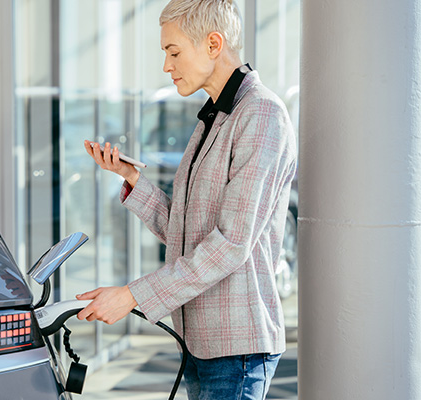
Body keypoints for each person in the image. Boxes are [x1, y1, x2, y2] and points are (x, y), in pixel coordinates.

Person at [76, 0, 298, 398]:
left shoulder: (261, 115)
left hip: (237, 349)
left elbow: (230, 244)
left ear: (214, 44)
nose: (166, 65)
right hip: (202, 343)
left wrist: (132, 296)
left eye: (173, 51)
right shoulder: (213, 118)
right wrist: (131, 178)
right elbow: (185, 232)